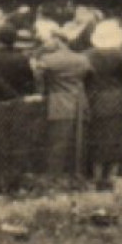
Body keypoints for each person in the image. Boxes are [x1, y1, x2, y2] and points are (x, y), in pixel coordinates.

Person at [35, 31, 94, 177]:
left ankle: (56, 175)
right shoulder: (82, 59)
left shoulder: (47, 59)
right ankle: (78, 173)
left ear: (57, 41)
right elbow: (90, 76)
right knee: (79, 141)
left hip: (58, 102)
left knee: (57, 141)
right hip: (80, 102)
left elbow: (39, 80)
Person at [84, 19, 122, 180]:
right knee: (117, 137)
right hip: (117, 98)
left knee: (97, 136)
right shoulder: (119, 55)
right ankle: (113, 174)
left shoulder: (87, 55)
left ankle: (97, 175)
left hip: (95, 99)